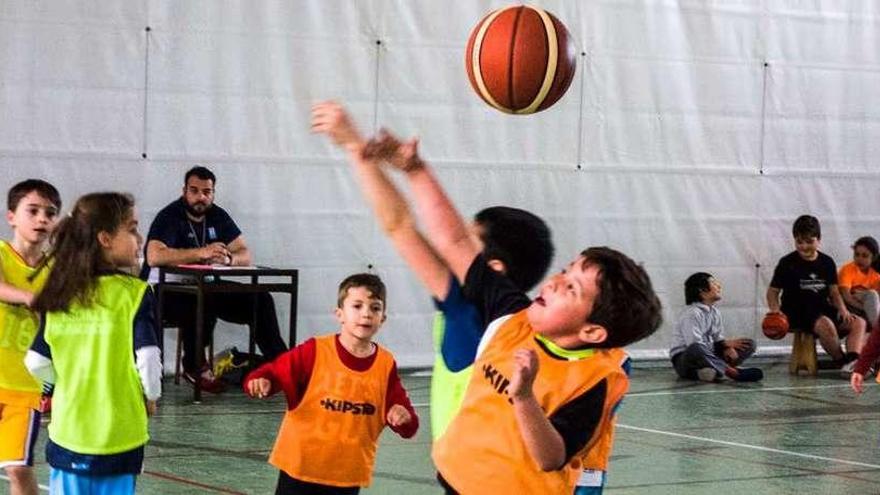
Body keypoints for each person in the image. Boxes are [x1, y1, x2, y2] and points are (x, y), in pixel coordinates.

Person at [359, 130, 662, 493]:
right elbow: (455, 241)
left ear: (592, 332)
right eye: (566, 270)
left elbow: (551, 455)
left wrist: (524, 397)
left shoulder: (593, 380)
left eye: (571, 288)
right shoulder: (511, 315)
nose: (554, 282)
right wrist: (415, 170)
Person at [311, 101, 554, 441]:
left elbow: (399, 226)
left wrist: (355, 146)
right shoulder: (525, 322)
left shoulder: (468, 315)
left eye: (468, 241)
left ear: (494, 268)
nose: (451, 242)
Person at [24, 192, 161, 495]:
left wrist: (64, 384)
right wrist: (151, 394)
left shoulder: (60, 294)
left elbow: (35, 361)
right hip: (120, 435)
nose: (139, 238)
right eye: (132, 228)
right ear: (105, 238)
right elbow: (148, 357)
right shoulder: (135, 294)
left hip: (68, 433)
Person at [244, 273, 418, 494]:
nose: (366, 314)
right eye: (357, 306)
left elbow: (407, 422)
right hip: (299, 469)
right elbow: (271, 372)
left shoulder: (385, 365)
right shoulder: (314, 351)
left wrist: (402, 416)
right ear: (340, 314)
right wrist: (260, 381)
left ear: (382, 318)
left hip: (346, 478)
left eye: (375, 308)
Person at [142, 166, 287, 392]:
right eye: (195, 191)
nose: (201, 197)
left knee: (260, 299)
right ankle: (194, 365)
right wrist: (201, 253)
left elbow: (244, 253)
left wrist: (229, 259)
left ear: (213, 193)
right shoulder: (170, 216)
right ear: (184, 191)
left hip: (203, 286)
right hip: (163, 290)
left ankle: (283, 367)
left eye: (207, 192)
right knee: (201, 301)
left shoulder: (217, 215)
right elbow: (153, 256)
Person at [0, 180, 60, 495]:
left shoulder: (56, 268)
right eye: (33, 210)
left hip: (24, 389)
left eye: (50, 213)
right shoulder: (1, 254)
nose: (42, 219)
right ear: (11, 216)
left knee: (20, 469)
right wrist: (31, 297)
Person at [766, 215, 866, 371]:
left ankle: (854, 360)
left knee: (858, 322)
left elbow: (834, 292)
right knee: (825, 323)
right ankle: (842, 362)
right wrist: (775, 311)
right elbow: (772, 292)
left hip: (821, 308)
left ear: (818, 240)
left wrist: (843, 310)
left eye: (809, 241)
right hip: (796, 311)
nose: (804, 246)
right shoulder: (787, 263)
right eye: (799, 242)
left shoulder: (827, 262)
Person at [670, 272, 762, 382]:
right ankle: (732, 372)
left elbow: (718, 337)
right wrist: (723, 344)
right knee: (696, 348)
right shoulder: (692, 313)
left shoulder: (715, 312)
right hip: (686, 360)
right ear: (702, 290)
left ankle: (708, 372)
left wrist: (726, 347)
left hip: (709, 357)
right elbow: (694, 345)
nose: (719, 286)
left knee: (749, 344)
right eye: (713, 283)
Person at [838, 236, 880, 331]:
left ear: (873, 258)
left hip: (867, 312)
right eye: (857, 255)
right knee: (872, 294)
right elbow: (846, 296)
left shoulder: (875, 275)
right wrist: (867, 308)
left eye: (865, 256)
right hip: (848, 309)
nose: (859, 259)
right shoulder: (847, 269)